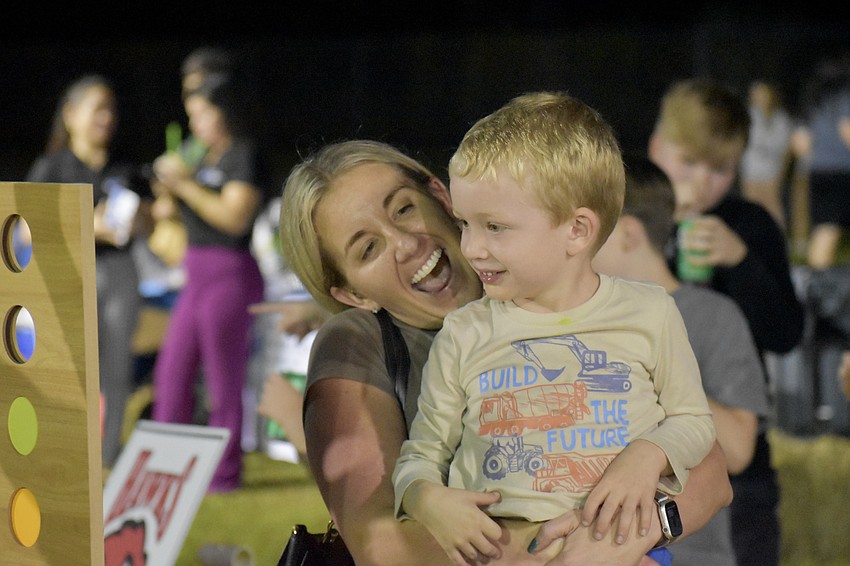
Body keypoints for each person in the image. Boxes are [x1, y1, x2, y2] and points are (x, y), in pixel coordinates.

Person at [277, 138, 733, 565]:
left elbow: (710, 474)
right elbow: (380, 542)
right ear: (353, 294)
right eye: (369, 248)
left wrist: (638, 529)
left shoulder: (552, 285)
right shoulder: (358, 342)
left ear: (441, 195)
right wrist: (564, 553)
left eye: (403, 209)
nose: (406, 243)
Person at [391, 92, 715, 566]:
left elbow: (694, 421)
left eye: (495, 227)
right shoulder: (463, 332)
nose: (472, 247)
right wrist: (427, 501)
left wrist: (649, 453)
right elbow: (421, 454)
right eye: (465, 223)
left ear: (578, 231)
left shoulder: (649, 311)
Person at [647, 77, 806, 566]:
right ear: (656, 145)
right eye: (687, 161)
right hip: (649, 450)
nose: (701, 181)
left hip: (742, 460)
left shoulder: (751, 224)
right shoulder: (629, 219)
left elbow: (786, 333)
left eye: (720, 169)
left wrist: (741, 261)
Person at [593, 153, 770, 565]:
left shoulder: (712, 315)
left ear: (628, 235)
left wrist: (648, 365)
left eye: (585, 229)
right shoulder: (572, 317)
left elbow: (740, 450)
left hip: (693, 553)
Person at [149, 72, 274, 493]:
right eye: (192, 116)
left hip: (230, 272)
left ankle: (223, 475)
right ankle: (166, 468)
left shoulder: (244, 154)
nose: (196, 124)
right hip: (195, 271)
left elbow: (234, 217)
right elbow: (168, 213)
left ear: (226, 111)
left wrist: (185, 185)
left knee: (223, 381)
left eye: (204, 113)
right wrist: (168, 188)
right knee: (172, 374)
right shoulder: (199, 158)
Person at [26, 74, 151, 469]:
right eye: (97, 108)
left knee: (115, 368)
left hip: (119, 272)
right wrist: (86, 224)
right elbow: (26, 226)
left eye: (110, 109)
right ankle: (64, 447)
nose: (106, 117)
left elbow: (150, 221)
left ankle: (108, 452)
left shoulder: (125, 168)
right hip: (68, 272)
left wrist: (144, 219)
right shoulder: (52, 166)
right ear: (71, 114)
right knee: (67, 365)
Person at [790, 52, 850, 270]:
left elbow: (800, 143)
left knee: (825, 230)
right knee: (829, 232)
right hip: (842, 172)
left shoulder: (815, 102)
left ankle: (818, 288)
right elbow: (847, 131)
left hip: (819, 171)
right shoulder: (845, 96)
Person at [739, 79, 794, 230]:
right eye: (756, 94)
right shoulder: (747, 116)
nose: (759, 98)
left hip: (771, 172)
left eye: (762, 94)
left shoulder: (780, 118)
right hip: (751, 173)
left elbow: (787, 149)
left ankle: (780, 241)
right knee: (751, 208)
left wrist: (781, 173)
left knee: (774, 208)